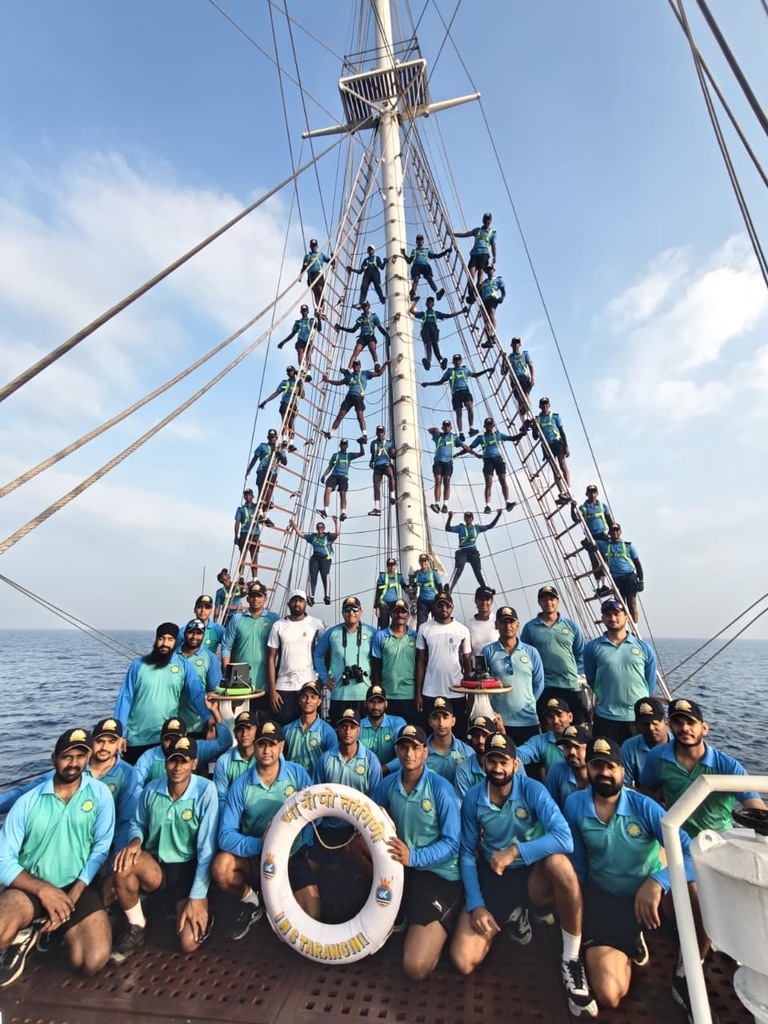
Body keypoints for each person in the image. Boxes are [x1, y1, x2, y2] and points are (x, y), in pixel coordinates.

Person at [451, 733, 597, 1019]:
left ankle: (570, 958)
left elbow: (564, 838)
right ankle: (515, 915)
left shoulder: (533, 791)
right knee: (463, 960)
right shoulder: (473, 798)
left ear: (516, 764)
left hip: (532, 875)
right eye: (491, 760)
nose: (497, 767)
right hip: (494, 876)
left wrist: (515, 851)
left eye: (503, 761)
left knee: (561, 866)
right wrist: (476, 904)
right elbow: (467, 853)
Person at [564, 737, 702, 1017]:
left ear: (622, 771)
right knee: (609, 994)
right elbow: (576, 863)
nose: (603, 772)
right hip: (606, 898)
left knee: (694, 887)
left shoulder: (645, 807)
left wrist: (658, 882)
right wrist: (574, 909)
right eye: (596, 765)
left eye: (610, 766)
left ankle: (687, 971)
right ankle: (629, 942)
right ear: (588, 769)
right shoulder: (575, 804)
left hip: (650, 895)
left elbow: (693, 852)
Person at [0, 729, 115, 987]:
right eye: (66, 757)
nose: (73, 763)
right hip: (30, 886)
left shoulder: (99, 794)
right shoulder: (28, 802)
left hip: (74, 885)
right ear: (54, 759)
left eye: (80, 756)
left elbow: (101, 846)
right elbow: (3, 860)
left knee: (90, 961)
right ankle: (26, 931)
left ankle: (50, 931)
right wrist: (44, 891)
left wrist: (75, 892)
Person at [110, 735, 218, 962]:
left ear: (194, 763)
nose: (177, 767)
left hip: (187, 869)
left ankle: (205, 910)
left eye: (184, 761)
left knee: (189, 943)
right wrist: (135, 841)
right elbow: (137, 823)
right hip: (157, 867)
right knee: (123, 865)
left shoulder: (206, 791)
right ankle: (136, 924)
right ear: (165, 763)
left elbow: (207, 849)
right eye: (172, 761)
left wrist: (197, 896)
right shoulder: (151, 789)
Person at [213, 721, 319, 940]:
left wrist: (306, 848)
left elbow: (313, 816)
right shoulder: (241, 785)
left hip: (292, 854)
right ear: (255, 746)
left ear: (281, 746)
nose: (267, 750)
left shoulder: (297, 774)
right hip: (256, 855)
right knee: (221, 867)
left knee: (314, 914)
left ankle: (281, 896)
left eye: (272, 744)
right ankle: (252, 901)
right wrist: (261, 844)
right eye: (262, 744)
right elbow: (225, 836)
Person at [374, 725, 462, 981]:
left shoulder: (440, 789)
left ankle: (448, 918)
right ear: (397, 751)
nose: (409, 753)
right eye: (403, 747)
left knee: (415, 967)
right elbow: (370, 813)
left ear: (425, 752)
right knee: (356, 845)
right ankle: (402, 911)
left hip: (438, 873)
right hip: (403, 868)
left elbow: (452, 844)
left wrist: (413, 857)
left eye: (415, 748)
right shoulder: (388, 784)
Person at [640, 698, 767, 837]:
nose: (684, 728)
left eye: (691, 723)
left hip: (719, 838)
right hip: (677, 837)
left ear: (704, 728)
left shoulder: (727, 765)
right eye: (678, 723)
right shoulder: (657, 757)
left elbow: (753, 802)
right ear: (670, 725)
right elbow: (647, 789)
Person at [114, 623, 210, 764]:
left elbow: (197, 694)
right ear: (156, 640)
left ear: (177, 642)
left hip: (167, 740)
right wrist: (118, 734)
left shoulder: (183, 666)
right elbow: (125, 698)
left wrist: (209, 718)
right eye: (161, 638)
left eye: (170, 639)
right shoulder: (138, 665)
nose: (165, 643)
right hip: (137, 740)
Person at [311, 708, 383, 864]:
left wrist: (365, 827)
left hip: (358, 829)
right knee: (310, 866)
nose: (348, 731)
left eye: (352, 727)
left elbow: (375, 800)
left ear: (359, 730)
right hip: (329, 827)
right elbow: (314, 797)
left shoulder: (371, 761)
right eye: (344, 726)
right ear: (338, 729)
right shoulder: (325, 759)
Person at [583, 600, 657, 744]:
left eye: (617, 614)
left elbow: (650, 682)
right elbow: (592, 679)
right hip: (606, 717)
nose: (612, 618)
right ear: (603, 619)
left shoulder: (643, 647)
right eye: (608, 615)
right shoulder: (592, 648)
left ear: (626, 617)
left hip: (638, 718)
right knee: (606, 763)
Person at [520, 585, 589, 726]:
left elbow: (581, 654)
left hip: (570, 685)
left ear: (558, 601)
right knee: (549, 727)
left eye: (552, 599)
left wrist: (569, 670)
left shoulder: (571, 626)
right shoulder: (530, 627)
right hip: (545, 687)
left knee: (579, 728)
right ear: (539, 603)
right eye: (544, 599)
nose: (548, 602)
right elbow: (525, 656)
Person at [482, 606, 545, 744]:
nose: (508, 626)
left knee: (532, 764)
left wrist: (529, 703)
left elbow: (539, 683)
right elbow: (481, 686)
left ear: (518, 625)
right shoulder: (487, 651)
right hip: (499, 721)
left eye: (511, 622)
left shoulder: (531, 652)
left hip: (528, 720)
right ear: (496, 625)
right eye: (503, 622)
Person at [415, 591, 472, 732]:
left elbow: (467, 663)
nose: (444, 609)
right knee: (429, 733)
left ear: (452, 607)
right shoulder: (424, 629)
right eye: (440, 605)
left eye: (447, 605)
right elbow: (421, 662)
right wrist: (418, 693)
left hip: (456, 691)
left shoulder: (462, 630)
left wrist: (469, 695)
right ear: (434, 607)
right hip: (430, 691)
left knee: (458, 733)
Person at [266, 589, 325, 724]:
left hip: (309, 683)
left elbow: (326, 652)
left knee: (311, 726)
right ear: (288, 604)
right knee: (284, 728)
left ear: (306, 604)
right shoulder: (278, 626)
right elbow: (270, 659)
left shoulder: (316, 625)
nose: (297, 604)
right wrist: (272, 691)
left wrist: (323, 679)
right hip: (284, 687)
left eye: (300, 600)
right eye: (294, 600)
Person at [313, 596, 376, 720]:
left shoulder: (371, 632)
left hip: (364, 695)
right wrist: (325, 678)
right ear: (342, 613)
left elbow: (380, 658)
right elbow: (318, 654)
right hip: (339, 694)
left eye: (355, 609)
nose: (351, 613)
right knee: (339, 731)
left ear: (361, 612)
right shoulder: (332, 632)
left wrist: (376, 679)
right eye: (347, 610)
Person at [86, 718, 141, 858]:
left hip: (109, 841)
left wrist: (113, 857)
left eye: (111, 742)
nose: (105, 747)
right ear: (91, 741)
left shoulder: (128, 773)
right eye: (100, 741)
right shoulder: (77, 766)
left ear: (119, 743)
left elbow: (126, 820)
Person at [132, 713, 232, 789]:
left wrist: (216, 714)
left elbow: (224, 742)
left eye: (176, 738)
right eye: (168, 739)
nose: (172, 744)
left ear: (185, 736)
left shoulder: (197, 747)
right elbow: (135, 783)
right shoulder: (149, 756)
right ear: (161, 739)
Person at [221, 579, 279, 694]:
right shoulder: (237, 619)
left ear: (265, 599)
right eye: (252, 595)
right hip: (240, 682)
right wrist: (227, 671)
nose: (255, 599)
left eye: (259, 596)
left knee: (264, 712)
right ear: (247, 598)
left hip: (266, 681)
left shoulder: (274, 619)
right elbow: (226, 646)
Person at [421, 353, 492, 438]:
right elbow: (440, 382)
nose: (457, 362)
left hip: (465, 391)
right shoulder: (450, 371)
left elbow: (475, 375)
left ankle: (471, 428)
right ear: (453, 362)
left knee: (470, 407)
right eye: (455, 360)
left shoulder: (465, 370)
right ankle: (461, 433)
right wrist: (428, 384)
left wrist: (486, 370)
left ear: (461, 361)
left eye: (459, 360)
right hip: (456, 393)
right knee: (459, 413)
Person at [370, 599, 419, 723]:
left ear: (408, 614)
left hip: (410, 695)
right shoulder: (380, 636)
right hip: (388, 695)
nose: (400, 615)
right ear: (391, 614)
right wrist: (378, 694)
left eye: (403, 612)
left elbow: (421, 665)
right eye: (396, 612)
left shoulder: (416, 637)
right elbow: (376, 667)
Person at [323, 358, 388, 441]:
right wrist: (328, 381)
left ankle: (364, 435)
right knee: (340, 415)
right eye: (354, 365)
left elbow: (379, 374)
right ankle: (331, 433)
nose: (356, 366)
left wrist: (385, 364)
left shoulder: (365, 374)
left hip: (358, 397)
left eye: (357, 365)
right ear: (353, 366)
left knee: (360, 416)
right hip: (349, 397)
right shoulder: (349, 377)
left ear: (360, 366)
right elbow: (339, 383)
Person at [178, 618, 223, 733]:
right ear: (185, 633)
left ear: (203, 636)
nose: (194, 636)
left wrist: (211, 722)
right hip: (171, 724)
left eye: (199, 633)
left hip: (197, 724)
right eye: (191, 632)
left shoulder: (210, 658)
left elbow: (214, 692)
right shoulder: (172, 656)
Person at [283, 681, 338, 774]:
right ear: (299, 700)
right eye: (304, 697)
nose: (308, 701)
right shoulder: (287, 729)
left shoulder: (328, 732)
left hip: (317, 785)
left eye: (313, 697)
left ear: (319, 701)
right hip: (292, 784)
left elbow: (333, 764)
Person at [517, 697, 573, 782]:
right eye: (550, 716)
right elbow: (515, 755)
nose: (555, 721)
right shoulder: (540, 741)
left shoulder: (582, 739)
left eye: (559, 715)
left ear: (570, 717)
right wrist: (525, 783)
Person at [468, 416, 517, 512]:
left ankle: (507, 502)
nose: (489, 426)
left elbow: (511, 438)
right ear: (484, 426)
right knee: (488, 483)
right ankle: (488, 505)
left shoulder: (497, 435)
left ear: (493, 425)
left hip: (498, 460)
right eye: (487, 425)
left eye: (490, 424)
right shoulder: (480, 438)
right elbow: (470, 448)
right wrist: (475, 454)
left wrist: (521, 434)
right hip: (488, 461)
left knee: (503, 480)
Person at [446, 509, 502, 593]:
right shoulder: (461, 527)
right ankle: (449, 588)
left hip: (473, 553)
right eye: (466, 517)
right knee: (458, 569)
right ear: (464, 519)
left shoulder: (477, 528)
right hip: (462, 552)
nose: (468, 519)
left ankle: (485, 588)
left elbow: (490, 525)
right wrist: (450, 517)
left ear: (472, 519)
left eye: (469, 517)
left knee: (478, 572)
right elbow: (447, 528)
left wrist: (498, 515)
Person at [598, 523, 644, 623]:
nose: (615, 532)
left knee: (632, 604)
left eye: (617, 530)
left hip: (629, 577)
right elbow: (589, 542)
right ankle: (624, 626)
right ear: (609, 532)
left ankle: (634, 627)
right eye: (613, 530)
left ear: (620, 532)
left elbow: (637, 564)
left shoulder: (628, 546)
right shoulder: (605, 545)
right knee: (620, 605)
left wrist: (641, 581)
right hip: (616, 579)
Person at [288, 516, 339, 606]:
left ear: (323, 529)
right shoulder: (313, 537)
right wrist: (294, 526)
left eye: (321, 527)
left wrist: (336, 522)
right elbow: (301, 535)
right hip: (315, 558)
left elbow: (337, 533)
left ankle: (327, 596)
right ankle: (311, 596)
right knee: (312, 576)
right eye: (318, 527)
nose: (320, 529)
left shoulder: (328, 537)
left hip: (325, 559)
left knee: (325, 575)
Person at [620, 697, 670, 788]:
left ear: (667, 723)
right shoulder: (629, 746)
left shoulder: (680, 745)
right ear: (637, 726)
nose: (651, 728)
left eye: (655, 722)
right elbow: (623, 784)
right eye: (645, 724)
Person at [529, 397, 571, 502]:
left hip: (557, 442)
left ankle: (568, 490)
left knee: (562, 465)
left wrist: (566, 446)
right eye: (542, 404)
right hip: (547, 446)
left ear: (549, 405)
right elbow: (535, 437)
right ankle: (561, 492)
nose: (544, 406)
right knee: (554, 469)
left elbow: (562, 431)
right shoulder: (537, 418)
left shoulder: (555, 416)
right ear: (540, 406)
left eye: (546, 404)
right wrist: (534, 427)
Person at [213, 710, 258, 804]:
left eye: (249, 728)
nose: (244, 734)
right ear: (234, 733)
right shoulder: (223, 761)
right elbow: (221, 798)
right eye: (240, 729)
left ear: (257, 731)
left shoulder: (266, 757)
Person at [425, 697, 473, 784]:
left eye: (445, 717)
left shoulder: (467, 752)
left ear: (453, 721)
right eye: (436, 718)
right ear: (430, 722)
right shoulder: (421, 753)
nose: (441, 723)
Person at [409, 296, 465, 371]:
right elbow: (412, 311)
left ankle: (441, 361)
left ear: (433, 304)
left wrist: (461, 311)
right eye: (428, 302)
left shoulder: (436, 313)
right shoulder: (423, 314)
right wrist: (415, 301)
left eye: (431, 302)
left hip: (433, 329)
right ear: (426, 304)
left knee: (435, 345)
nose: (429, 303)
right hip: (425, 329)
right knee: (427, 345)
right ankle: (427, 362)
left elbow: (448, 315)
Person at [574, 485, 615, 587]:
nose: (592, 494)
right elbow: (575, 519)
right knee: (595, 561)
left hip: (603, 536)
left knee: (604, 561)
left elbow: (610, 522)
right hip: (591, 537)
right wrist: (572, 507)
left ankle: (604, 584)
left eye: (594, 492)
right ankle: (598, 586)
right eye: (590, 492)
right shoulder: (583, 508)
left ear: (597, 493)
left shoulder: (602, 506)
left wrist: (613, 535)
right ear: (586, 494)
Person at [359, 683, 407, 768]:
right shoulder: (357, 726)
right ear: (365, 703)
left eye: (380, 702)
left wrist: (382, 770)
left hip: (392, 775)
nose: (376, 706)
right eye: (372, 702)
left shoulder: (397, 723)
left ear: (386, 704)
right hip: (363, 775)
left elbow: (403, 756)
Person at [427, 420, 470, 512]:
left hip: (448, 463)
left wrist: (473, 453)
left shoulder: (454, 437)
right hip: (438, 461)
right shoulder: (438, 436)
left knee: (447, 482)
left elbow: (465, 447)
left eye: (448, 426)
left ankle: (445, 504)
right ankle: (437, 504)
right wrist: (435, 429)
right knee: (438, 481)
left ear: (450, 428)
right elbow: (429, 430)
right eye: (445, 426)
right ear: (443, 428)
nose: (446, 428)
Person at [546, 724, 592, 810]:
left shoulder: (599, 775)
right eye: (567, 747)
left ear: (589, 749)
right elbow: (550, 806)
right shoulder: (557, 769)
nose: (572, 752)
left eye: (577, 747)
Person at [258, 365, 304, 448]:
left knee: (291, 424)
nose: (290, 373)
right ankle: (285, 440)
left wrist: (300, 385)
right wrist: (266, 401)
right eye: (288, 371)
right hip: (285, 403)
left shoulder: (298, 382)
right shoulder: (285, 382)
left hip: (294, 405)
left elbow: (302, 395)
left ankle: (291, 443)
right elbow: (276, 393)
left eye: (291, 371)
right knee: (285, 422)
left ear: (294, 371)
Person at [319, 437, 364, 521]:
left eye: (345, 444)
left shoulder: (349, 455)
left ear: (347, 446)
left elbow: (362, 453)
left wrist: (361, 444)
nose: (343, 446)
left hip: (343, 477)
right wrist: (324, 475)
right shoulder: (335, 455)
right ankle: (325, 510)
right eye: (342, 444)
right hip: (334, 476)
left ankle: (343, 512)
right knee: (327, 490)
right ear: (340, 445)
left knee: (342, 494)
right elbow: (330, 466)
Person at [454, 716, 497, 802]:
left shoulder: (509, 763)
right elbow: (464, 805)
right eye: (476, 736)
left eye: (485, 735)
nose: (480, 740)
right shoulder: (463, 769)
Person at [455, 213, 497, 300]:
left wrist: (494, 256)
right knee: (471, 274)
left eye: (488, 220)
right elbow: (466, 234)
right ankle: (471, 292)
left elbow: (493, 245)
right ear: (483, 220)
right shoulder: (477, 230)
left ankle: (477, 291)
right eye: (485, 220)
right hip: (474, 254)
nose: (487, 221)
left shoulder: (492, 233)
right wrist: (454, 234)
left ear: (491, 221)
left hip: (484, 254)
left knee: (480, 273)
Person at [247, 428, 287, 520]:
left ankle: (266, 514)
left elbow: (284, 462)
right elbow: (255, 458)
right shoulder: (262, 446)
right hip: (262, 469)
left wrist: (277, 452)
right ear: (267, 437)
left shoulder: (279, 448)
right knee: (262, 491)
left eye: (273, 437)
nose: (271, 439)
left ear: (276, 438)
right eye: (270, 437)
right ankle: (260, 511)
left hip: (273, 471)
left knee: (269, 493)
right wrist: (249, 469)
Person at [335, 301, 389, 369]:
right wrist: (341, 328)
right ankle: (349, 368)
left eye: (366, 306)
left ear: (369, 306)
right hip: (362, 337)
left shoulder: (374, 317)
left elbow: (380, 328)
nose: (365, 308)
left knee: (373, 350)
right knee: (356, 352)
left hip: (370, 336)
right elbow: (353, 330)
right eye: (363, 306)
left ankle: (376, 363)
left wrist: (386, 336)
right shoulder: (361, 318)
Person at [400, 234, 450, 301]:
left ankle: (437, 293)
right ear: (416, 242)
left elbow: (436, 256)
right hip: (416, 265)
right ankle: (412, 294)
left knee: (429, 278)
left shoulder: (426, 250)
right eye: (418, 240)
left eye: (421, 240)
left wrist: (446, 252)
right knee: (416, 279)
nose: (420, 241)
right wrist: (404, 254)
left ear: (423, 241)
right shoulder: (414, 251)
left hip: (425, 265)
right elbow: (409, 261)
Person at [277, 303, 321, 374]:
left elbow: (319, 328)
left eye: (305, 311)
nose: (304, 312)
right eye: (303, 311)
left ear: (308, 312)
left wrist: (318, 317)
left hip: (308, 341)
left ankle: (308, 372)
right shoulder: (298, 322)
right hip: (300, 340)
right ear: (301, 312)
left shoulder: (311, 321)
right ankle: (302, 369)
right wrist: (283, 342)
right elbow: (292, 334)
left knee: (308, 356)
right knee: (300, 351)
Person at [502, 336, 535, 414]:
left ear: (520, 344)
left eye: (517, 342)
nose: (516, 344)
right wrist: (503, 360)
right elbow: (503, 372)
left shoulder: (524, 354)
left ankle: (530, 413)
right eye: (514, 342)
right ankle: (524, 417)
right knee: (519, 399)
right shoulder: (509, 358)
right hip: (514, 379)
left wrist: (533, 378)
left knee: (525, 395)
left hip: (523, 377)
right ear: (511, 344)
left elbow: (531, 366)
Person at [368, 425, 397, 516]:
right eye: (379, 432)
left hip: (386, 463)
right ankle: (377, 507)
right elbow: (373, 454)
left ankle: (392, 496)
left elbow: (392, 454)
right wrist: (371, 461)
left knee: (391, 476)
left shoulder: (389, 442)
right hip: (377, 465)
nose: (380, 433)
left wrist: (393, 453)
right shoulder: (373, 443)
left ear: (384, 433)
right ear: (376, 433)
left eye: (381, 432)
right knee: (376, 485)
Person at [235, 487, 262, 579]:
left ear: (252, 496)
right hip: (244, 533)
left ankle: (255, 578)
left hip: (255, 533)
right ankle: (241, 576)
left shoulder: (256, 507)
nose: (247, 496)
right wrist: (236, 536)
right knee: (243, 555)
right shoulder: (241, 509)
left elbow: (265, 506)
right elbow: (237, 522)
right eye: (245, 495)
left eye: (249, 495)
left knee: (254, 556)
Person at [373, 556, 406, 629]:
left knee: (398, 621)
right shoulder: (382, 576)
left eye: (393, 565)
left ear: (395, 566)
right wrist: (377, 607)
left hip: (395, 602)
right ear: (387, 567)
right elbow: (378, 592)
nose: (391, 567)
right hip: (383, 603)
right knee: (384, 624)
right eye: (389, 565)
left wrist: (410, 588)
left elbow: (404, 586)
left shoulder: (399, 577)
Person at [410, 553, 444, 627]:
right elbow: (412, 586)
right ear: (419, 562)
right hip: (422, 602)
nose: (423, 563)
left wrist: (441, 600)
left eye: (425, 561)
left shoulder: (434, 573)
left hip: (434, 600)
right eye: (421, 561)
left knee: (437, 622)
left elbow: (440, 587)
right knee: (420, 624)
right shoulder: (417, 574)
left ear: (428, 562)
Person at [466, 585, 498, 657]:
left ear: (491, 601)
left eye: (487, 599)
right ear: (476, 601)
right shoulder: (469, 625)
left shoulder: (498, 621)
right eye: (481, 599)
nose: (484, 602)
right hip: (478, 666)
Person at [301, 239, 332, 307]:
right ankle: (319, 308)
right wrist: (300, 276)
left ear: (317, 246)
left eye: (315, 246)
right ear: (310, 247)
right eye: (312, 246)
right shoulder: (307, 257)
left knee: (320, 291)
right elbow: (304, 267)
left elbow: (330, 261)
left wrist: (333, 257)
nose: (313, 247)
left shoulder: (320, 255)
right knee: (315, 293)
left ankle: (322, 306)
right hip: (311, 276)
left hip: (318, 275)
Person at [477, 264, 506, 334]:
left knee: (491, 313)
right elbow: (479, 292)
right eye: (488, 270)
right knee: (486, 319)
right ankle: (489, 337)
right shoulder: (484, 282)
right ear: (486, 272)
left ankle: (493, 331)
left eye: (491, 269)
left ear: (493, 270)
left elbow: (503, 291)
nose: (489, 271)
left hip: (492, 298)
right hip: (484, 300)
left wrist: (502, 297)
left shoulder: (498, 280)